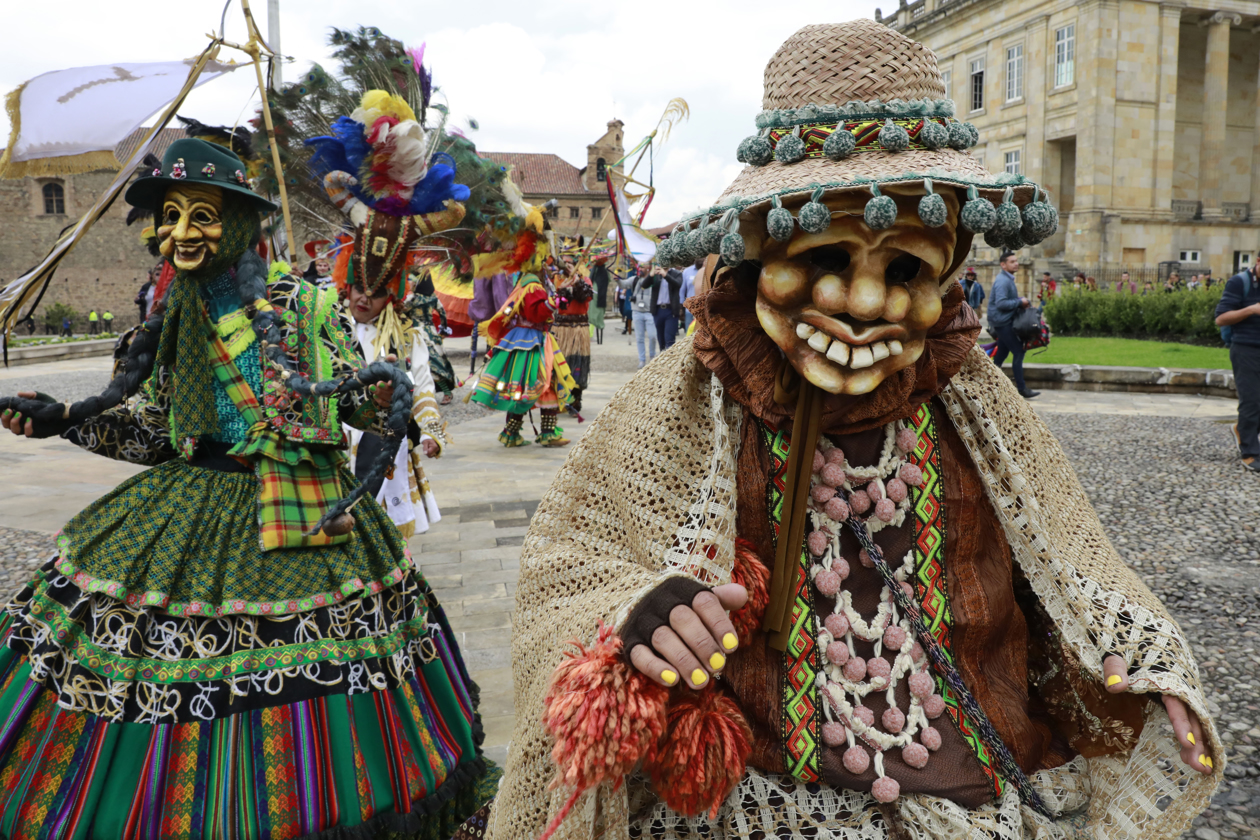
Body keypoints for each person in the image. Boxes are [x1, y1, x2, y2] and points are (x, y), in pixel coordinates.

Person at [483, 22, 1216, 840]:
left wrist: (1141, 660)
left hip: (988, 798)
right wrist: (636, 611)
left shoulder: (977, 401)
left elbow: (1074, 563)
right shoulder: (684, 403)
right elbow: (568, 563)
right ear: (758, 255)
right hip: (765, 805)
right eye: (827, 259)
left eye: (904, 269)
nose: (866, 306)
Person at [0, 137, 492, 837]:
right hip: (186, 519)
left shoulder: (308, 308)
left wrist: (392, 410)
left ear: (239, 222)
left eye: (200, 214)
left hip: (304, 526)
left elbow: (356, 402)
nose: (178, 232)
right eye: (169, 216)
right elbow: (156, 434)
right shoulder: (171, 321)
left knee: (321, 697)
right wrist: (66, 422)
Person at [471, 267, 578, 447]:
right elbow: (534, 313)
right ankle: (545, 434)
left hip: (527, 338)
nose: (548, 266)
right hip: (530, 340)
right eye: (544, 262)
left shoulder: (524, 284)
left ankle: (513, 432)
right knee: (543, 382)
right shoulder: (533, 287)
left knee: (522, 385)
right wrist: (555, 300)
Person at [1215, 260, 1260, 472]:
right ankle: (1250, 452)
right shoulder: (1239, 283)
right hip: (1246, 348)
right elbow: (1221, 319)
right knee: (1251, 400)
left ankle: (1242, 430)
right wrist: (1251, 310)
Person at [989, 250, 1039, 399]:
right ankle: (1021, 388)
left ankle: (988, 385)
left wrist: (1019, 301)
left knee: (1000, 356)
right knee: (1018, 351)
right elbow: (1001, 303)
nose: (1016, 263)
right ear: (1003, 265)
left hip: (1003, 321)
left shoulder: (1007, 279)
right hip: (1002, 322)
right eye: (1012, 261)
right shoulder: (1003, 281)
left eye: (1016, 261)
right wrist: (1020, 302)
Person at [551, 256, 594, 414]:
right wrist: (562, 288)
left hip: (578, 329)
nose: (567, 265)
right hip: (561, 328)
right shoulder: (555, 279)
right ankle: (558, 397)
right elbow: (555, 301)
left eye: (570, 262)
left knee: (577, 363)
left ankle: (576, 399)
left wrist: (576, 281)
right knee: (559, 364)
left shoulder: (585, 280)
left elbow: (587, 296)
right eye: (565, 262)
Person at [623, 262, 659, 367]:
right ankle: (642, 360)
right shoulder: (634, 279)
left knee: (652, 336)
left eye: (642, 267)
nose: (640, 269)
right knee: (639, 337)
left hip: (649, 312)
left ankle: (652, 356)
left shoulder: (654, 279)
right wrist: (617, 279)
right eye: (639, 267)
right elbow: (623, 284)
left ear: (649, 267)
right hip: (637, 311)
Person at [652, 262, 684, 350]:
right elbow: (644, 285)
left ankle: (670, 359)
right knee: (660, 338)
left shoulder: (676, 273)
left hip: (671, 310)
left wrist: (665, 275)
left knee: (669, 339)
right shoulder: (656, 274)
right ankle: (662, 358)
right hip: (658, 310)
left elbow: (678, 284)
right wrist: (651, 275)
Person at [589, 257, 611, 344]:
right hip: (598, 295)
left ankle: (592, 334)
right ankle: (591, 335)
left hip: (599, 295)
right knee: (593, 313)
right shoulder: (600, 271)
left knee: (594, 312)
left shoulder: (598, 271)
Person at [682, 258, 703, 331]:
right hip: (690, 309)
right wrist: (681, 305)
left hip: (703, 308)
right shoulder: (687, 271)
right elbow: (682, 289)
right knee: (689, 331)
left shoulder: (709, 270)